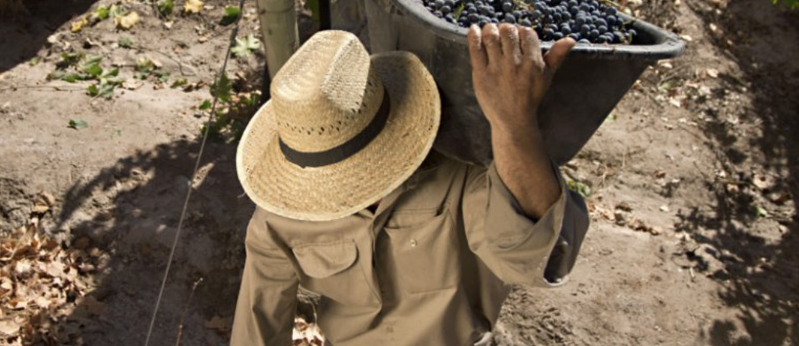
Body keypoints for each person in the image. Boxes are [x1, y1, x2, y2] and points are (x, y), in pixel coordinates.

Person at [230, 23, 589, 345]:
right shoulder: (279, 218)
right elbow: (256, 327)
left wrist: (514, 123)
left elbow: (534, 259)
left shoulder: (460, 171)